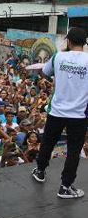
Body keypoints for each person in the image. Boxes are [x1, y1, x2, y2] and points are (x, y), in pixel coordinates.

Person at [32, 27, 88, 199]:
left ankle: (40, 171)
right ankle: (65, 186)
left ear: (68, 41)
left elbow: (45, 72)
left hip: (56, 111)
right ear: (85, 44)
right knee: (73, 150)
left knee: (48, 142)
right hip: (78, 114)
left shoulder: (58, 56)